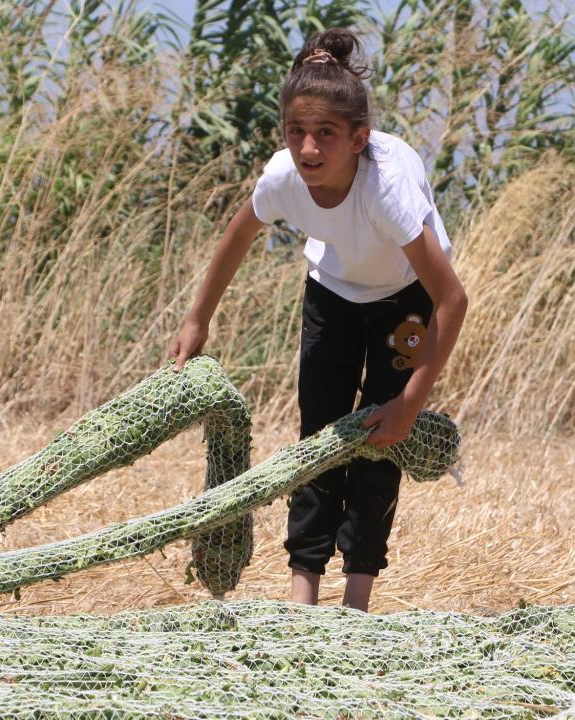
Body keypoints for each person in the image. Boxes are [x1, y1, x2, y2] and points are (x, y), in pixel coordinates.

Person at [168, 27, 467, 613]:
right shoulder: (284, 177)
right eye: (295, 132)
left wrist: (409, 402)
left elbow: (452, 299)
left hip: (404, 300)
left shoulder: (387, 189)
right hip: (331, 293)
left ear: (359, 139)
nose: (308, 148)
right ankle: (302, 597)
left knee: (379, 442)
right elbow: (237, 235)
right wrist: (198, 319)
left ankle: (356, 603)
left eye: (325, 134)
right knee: (320, 438)